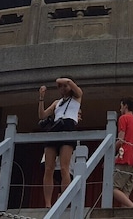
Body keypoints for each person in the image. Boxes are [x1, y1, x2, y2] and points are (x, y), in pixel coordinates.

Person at [38, 77, 83, 208]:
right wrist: (41, 98)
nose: (62, 88)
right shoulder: (57, 102)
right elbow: (42, 115)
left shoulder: (77, 97)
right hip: (55, 128)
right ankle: (47, 203)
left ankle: (64, 200)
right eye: (59, 87)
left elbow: (69, 82)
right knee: (49, 168)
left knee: (64, 168)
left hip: (68, 126)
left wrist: (60, 80)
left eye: (64, 86)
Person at [113, 97, 133, 207]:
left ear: (125, 105)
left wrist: (111, 152)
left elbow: (121, 140)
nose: (120, 108)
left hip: (124, 158)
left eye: (121, 106)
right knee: (125, 193)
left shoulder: (123, 118)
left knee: (112, 187)